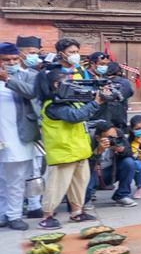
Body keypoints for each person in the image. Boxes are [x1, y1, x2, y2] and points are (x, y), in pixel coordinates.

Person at [37, 68, 104, 228]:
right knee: (57, 186)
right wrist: (96, 103)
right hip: (63, 152)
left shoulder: (69, 100)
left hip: (78, 150)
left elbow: (84, 112)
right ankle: (47, 216)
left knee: (79, 184)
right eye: (67, 81)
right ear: (56, 84)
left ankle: (76, 212)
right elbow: (75, 116)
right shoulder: (52, 106)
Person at [0, 43, 42, 230]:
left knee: (16, 179)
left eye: (14, 59)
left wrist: (8, 78)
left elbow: (31, 93)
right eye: (6, 60)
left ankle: (15, 215)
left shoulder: (28, 76)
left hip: (18, 136)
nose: (11, 62)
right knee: (1, 179)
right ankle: (2, 215)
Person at [88, 121, 139, 207]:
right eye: (109, 138)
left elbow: (130, 153)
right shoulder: (89, 139)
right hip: (92, 174)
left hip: (110, 173)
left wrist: (121, 150)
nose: (112, 140)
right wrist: (98, 151)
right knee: (86, 173)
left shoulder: (118, 134)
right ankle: (86, 198)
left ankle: (121, 195)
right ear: (98, 138)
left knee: (129, 162)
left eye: (114, 137)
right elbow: (85, 167)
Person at [89, 56, 134, 129]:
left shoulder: (99, 82)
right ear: (118, 71)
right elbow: (128, 93)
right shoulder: (125, 83)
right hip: (119, 120)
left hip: (101, 120)